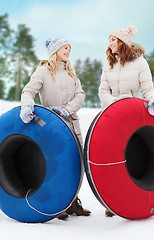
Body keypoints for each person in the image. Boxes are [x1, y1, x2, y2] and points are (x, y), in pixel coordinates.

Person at [20, 38, 91, 220]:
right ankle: (60, 204)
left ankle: (73, 202)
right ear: (55, 50)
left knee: (77, 164)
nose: (68, 51)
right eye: (65, 47)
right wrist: (27, 106)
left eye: (70, 48)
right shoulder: (43, 71)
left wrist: (67, 109)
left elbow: (80, 95)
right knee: (57, 164)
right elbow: (28, 91)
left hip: (72, 124)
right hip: (52, 126)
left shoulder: (71, 73)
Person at [98, 25, 154, 217]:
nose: (109, 44)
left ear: (123, 42)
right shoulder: (108, 65)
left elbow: (148, 89)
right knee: (112, 158)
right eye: (109, 40)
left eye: (113, 40)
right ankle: (113, 203)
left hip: (133, 117)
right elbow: (102, 92)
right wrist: (114, 104)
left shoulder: (140, 63)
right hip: (111, 115)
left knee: (134, 153)